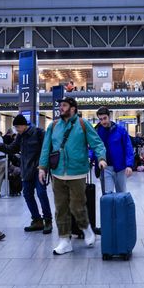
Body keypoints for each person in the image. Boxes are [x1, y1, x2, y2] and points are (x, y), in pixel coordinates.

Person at [39, 96, 107, 255]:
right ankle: (64, 240)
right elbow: (46, 148)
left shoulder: (83, 124)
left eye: (64, 105)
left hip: (77, 172)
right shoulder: (53, 126)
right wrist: (42, 167)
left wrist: (101, 158)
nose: (61, 108)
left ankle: (86, 228)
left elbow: (97, 143)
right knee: (60, 208)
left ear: (73, 108)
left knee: (77, 206)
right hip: (57, 173)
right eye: (60, 105)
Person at [0, 114, 52, 234]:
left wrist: (44, 166)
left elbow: (47, 149)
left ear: (24, 125)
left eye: (18, 127)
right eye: (15, 128)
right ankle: (37, 220)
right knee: (27, 195)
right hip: (26, 170)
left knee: (41, 193)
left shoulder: (39, 132)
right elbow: (12, 148)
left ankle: (48, 220)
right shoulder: (20, 136)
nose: (16, 130)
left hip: (39, 169)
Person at [94, 107, 134, 194]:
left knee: (121, 194)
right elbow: (94, 147)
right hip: (105, 168)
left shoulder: (120, 130)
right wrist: (90, 158)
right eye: (100, 119)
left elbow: (128, 147)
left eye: (105, 118)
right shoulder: (97, 131)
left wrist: (129, 165)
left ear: (109, 117)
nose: (103, 121)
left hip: (120, 168)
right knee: (107, 195)